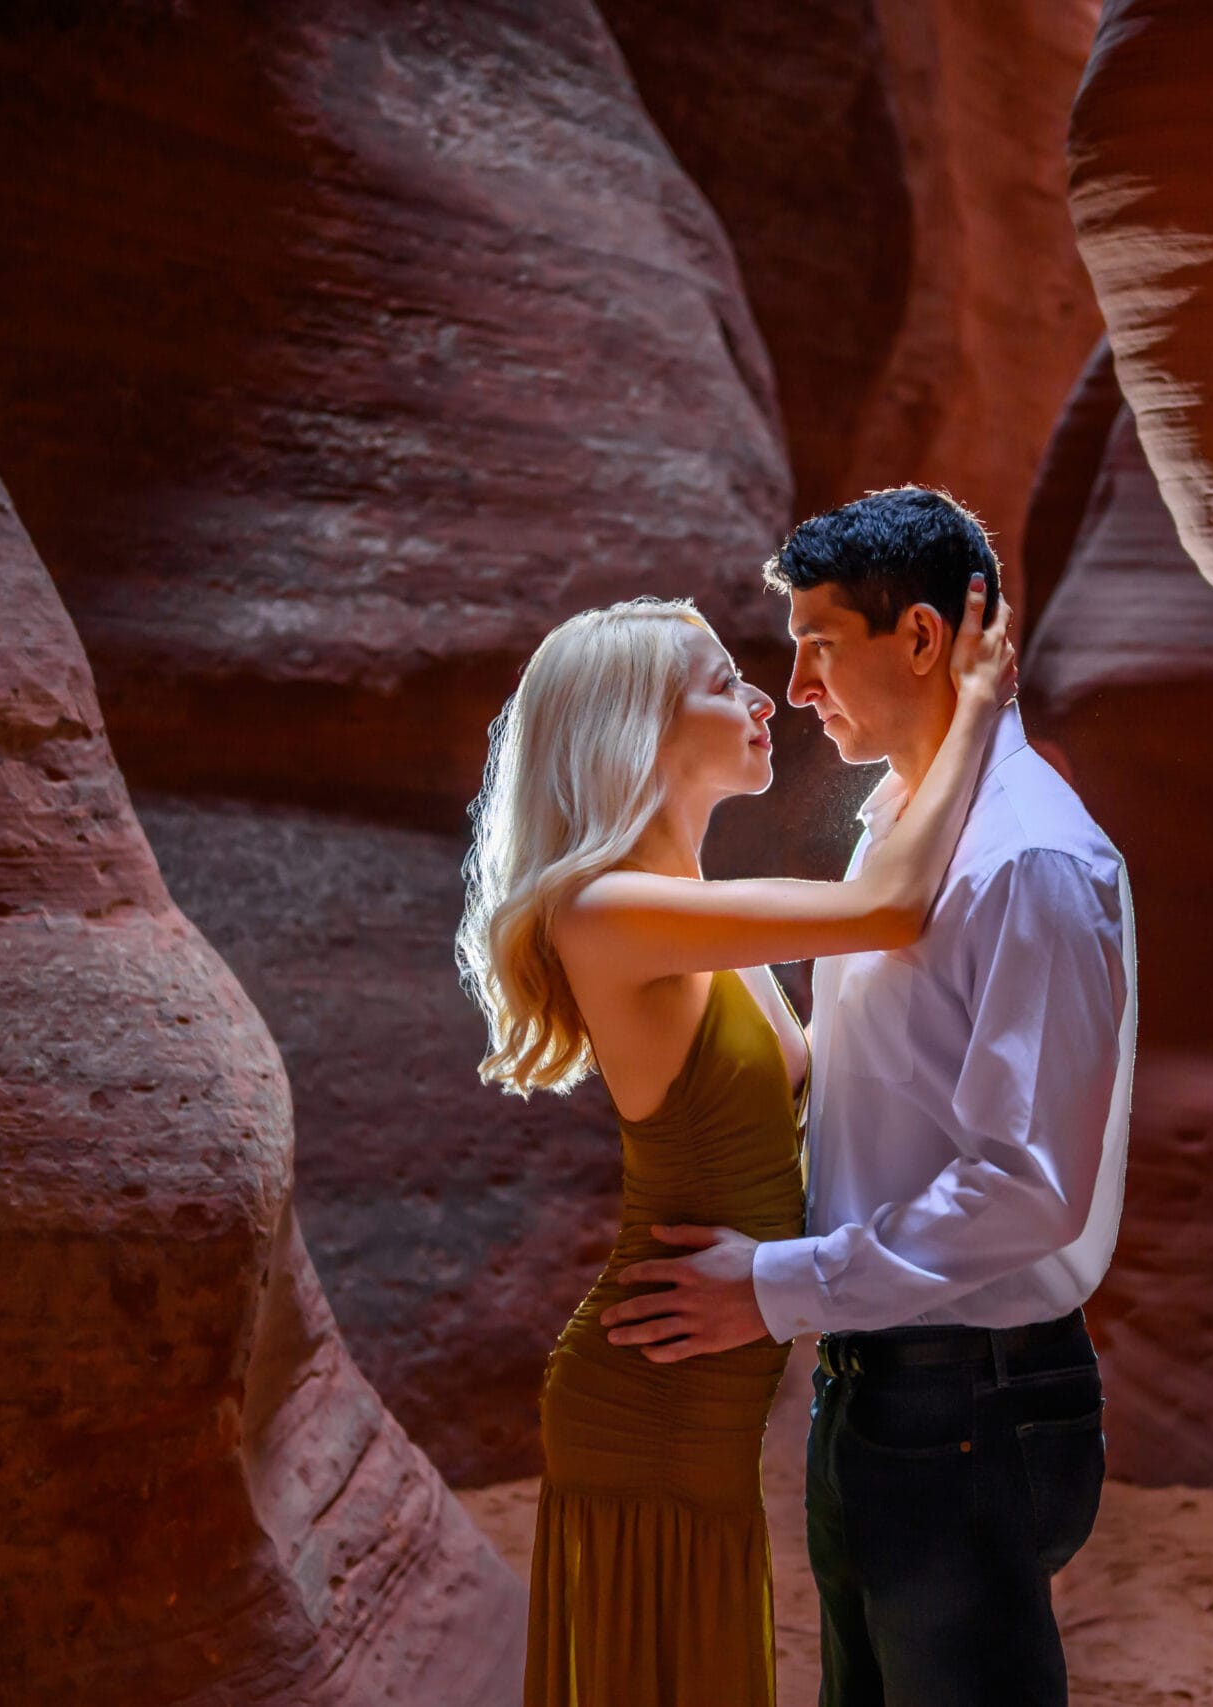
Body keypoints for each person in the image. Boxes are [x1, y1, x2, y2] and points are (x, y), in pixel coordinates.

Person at [600, 486, 1138, 1706]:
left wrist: (772, 1286)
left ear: (922, 639)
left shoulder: (1024, 860)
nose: (793, 690)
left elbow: (1026, 1189)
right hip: (889, 1382)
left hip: (969, 1398)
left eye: (818, 646)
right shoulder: (894, 821)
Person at [457, 568, 1016, 1707]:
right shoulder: (609, 909)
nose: (765, 699)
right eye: (724, 683)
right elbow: (891, 906)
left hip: (705, 1382)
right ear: (642, 728)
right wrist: (973, 710)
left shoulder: (689, 905)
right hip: (647, 1394)